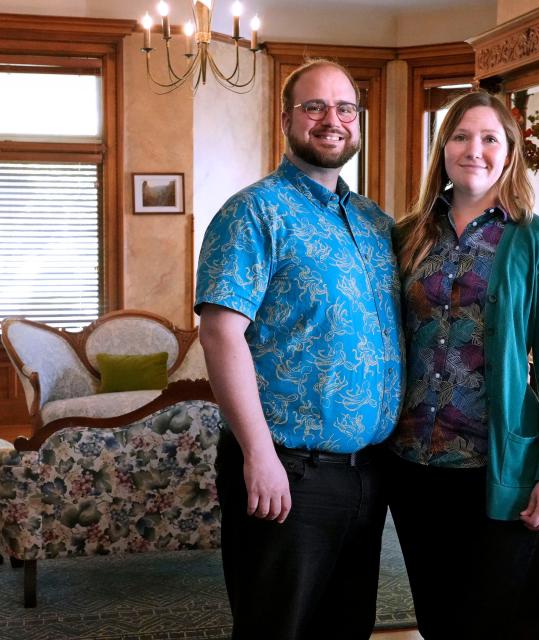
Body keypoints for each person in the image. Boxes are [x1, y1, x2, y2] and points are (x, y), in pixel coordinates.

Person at [194, 59, 402, 640]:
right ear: (286, 118)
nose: (330, 120)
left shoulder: (374, 221)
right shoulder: (254, 212)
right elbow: (220, 333)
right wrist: (258, 455)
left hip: (366, 476)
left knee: (346, 629)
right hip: (287, 473)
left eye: (344, 108)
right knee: (275, 628)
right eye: (314, 106)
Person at [386, 91, 539, 638]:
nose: (476, 149)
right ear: (443, 149)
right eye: (462, 136)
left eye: (490, 138)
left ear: (510, 151)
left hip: (499, 469)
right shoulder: (406, 236)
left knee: (483, 623)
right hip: (412, 466)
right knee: (435, 621)